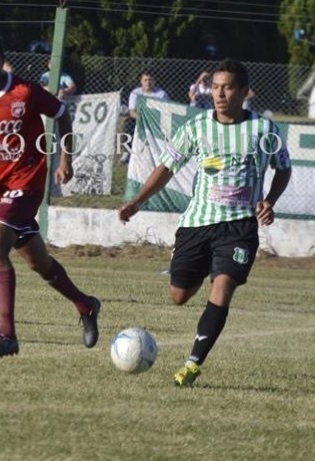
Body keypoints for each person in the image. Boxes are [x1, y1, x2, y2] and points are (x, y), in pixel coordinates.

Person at [117, 59, 293, 387]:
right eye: (215, 87)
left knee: (223, 286)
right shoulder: (196, 127)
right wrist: (137, 201)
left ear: (244, 92)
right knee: (179, 296)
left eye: (227, 87)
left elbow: (283, 167)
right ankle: (195, 267)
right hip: (197, 224)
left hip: (239, 226)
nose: (219, 94)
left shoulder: (263, 129)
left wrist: (270, 200)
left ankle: (192, 364)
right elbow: (167, 167)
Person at [0, 33, 101, 358]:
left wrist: (65, 158)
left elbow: (61, 114)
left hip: (27, 181)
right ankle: (85, 304)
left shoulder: (24, 91)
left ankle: (7, 334)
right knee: (39, 263)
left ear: (2, 60)